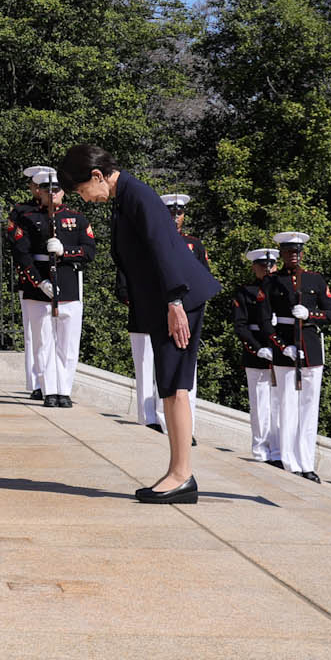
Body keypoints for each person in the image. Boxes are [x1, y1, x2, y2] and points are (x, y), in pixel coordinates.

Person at [62, 147, 219, 502]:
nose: (84, 198)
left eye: (82, 189)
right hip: (168, 300)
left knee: (175, 385)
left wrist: (175, 302)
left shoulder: (137, 196)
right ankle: (178, 472)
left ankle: (182, 475)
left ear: (98, 176)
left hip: (179, 299)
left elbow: (163, 248)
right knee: (169, 384)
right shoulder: (125, 196)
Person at [6, 165, 92, 409]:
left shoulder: (76, 219)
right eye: (47, 189)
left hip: (68, 285)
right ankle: (48, 390)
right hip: (39, 286)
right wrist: (39, 282)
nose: (52, 193)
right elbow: (21, 254)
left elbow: (89, 251)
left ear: (63, 192)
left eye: (57, 189)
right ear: (39, 191)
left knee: (68, 344)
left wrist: (66, 251)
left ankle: (64, 390)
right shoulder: (28, 218)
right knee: (43, 343)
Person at [265, 232, 331, 481]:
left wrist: (311, 314)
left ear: (302, 254)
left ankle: (306, 463)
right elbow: (265, 320)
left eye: (297, 252)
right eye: (288, 251)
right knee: (287, 407)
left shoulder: (316, 280)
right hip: (286, 350)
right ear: (282, 254)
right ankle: (289, 460)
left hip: (312, 350)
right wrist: (281, 346)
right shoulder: (272, 281)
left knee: (308, 409)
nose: (293, 255)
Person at [133, 195, 202, 429]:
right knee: (159, 367)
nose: (175, 218)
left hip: (188, 312)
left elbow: (203, 279)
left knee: (185, 371)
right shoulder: (150, 242)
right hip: (159, 309)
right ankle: (158, 419)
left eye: (179, 213)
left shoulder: (193, 245)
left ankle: (184, 425)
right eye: (171, 213)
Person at [232, 249, 283, 464]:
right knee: (261, 404)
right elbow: (240, 326)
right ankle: (262, 449)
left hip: (282, 353)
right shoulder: (245, 292)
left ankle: (280, 451)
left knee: (281, 406)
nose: (267, 269)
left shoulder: (283, 290)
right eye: (262, 266)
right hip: (257, 352)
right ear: (254, 267)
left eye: (270, 266)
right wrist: (257, 348)